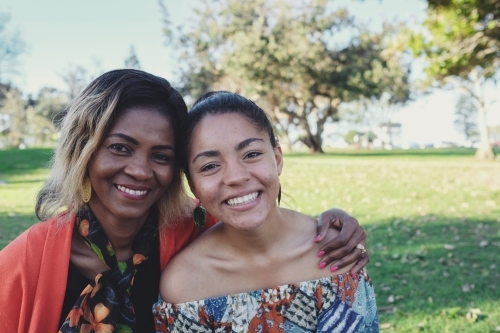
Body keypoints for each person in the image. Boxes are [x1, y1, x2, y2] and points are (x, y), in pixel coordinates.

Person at [0, 70, 369, 333]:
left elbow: (253, 221)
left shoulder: (191, 227)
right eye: (120, 148)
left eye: (160, 156)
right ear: (83, 150)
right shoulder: (22, 264)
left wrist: (332, 222)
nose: (141, 171)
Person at [153, 91, 378, 332]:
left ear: (278, 158)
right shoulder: (185, 285)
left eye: (251, 154)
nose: (236, 177)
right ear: (193, 183)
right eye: (210, 166)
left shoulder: (337, 251)